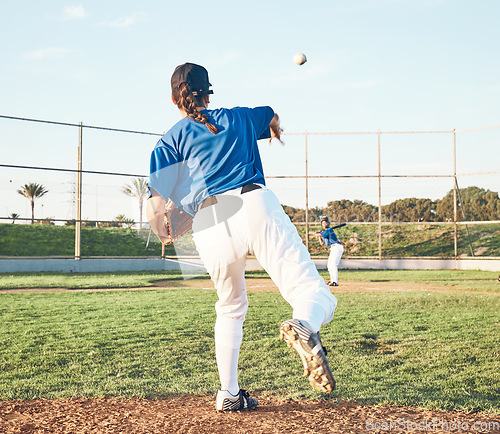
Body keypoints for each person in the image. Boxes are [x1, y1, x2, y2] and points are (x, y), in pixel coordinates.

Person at [146, 63, 338, 411]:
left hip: (208, 218)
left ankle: (229, 394)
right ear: (208, 93)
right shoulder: (240, 117)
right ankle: (305, 324)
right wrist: (275, 130)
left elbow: (155, 211)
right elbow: (272, 116)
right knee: (311, 291)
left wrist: (164, 231)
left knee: (230, 307)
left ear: (175, 98)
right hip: (253, 202)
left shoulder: (169, 140)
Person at [315, 216, 344, 286]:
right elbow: (322, 243)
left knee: (333, 264)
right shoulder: (325, 232)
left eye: (325, 222)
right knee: (329, 265)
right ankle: (332, 280)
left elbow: (318, 235)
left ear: (328, 223)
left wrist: (317, 234)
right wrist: (320, 237)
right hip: (333, 248)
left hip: (337, 247)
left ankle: (335, 282)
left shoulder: (329, 230)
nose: (324, 224)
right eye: (323, 223)